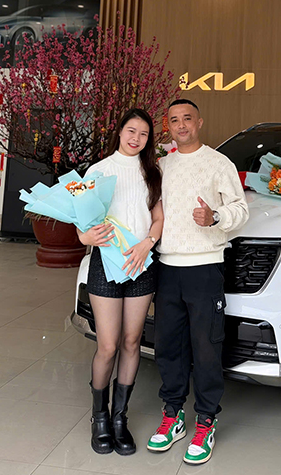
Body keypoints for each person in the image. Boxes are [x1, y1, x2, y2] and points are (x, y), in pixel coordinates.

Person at [147, 99, 249, 465]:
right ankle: (173, 415)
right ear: (168, 126)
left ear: (199, 122)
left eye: (187, 118)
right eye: (174, 120)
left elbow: (241, 210)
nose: (181, 125)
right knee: (168, 346)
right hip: (167, 267)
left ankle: (206, 420)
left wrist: (215, 216)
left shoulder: (219, 163)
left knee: (206, 347)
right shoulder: (162, 165)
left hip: (205, 267)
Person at [78, 108, 164, 456]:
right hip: (106, 264)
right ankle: (99, 418)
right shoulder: (98, 171)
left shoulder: (152, 172)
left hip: (141, 264)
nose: (136, 138)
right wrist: (87, 237)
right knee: (108, 345)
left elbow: (158, 218)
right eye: (131, 131)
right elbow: (82, 225)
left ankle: (119, 418)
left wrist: (147, 244)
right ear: (120, 131)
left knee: (132, 342)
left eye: (143, 134)